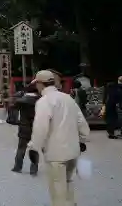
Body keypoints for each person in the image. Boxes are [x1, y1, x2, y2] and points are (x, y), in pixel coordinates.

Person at [28, 70, 90, 206]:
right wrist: (83, 139)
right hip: (73, 150)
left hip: (56, 153)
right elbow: (81, 121)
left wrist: (34, 147)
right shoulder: (68, 98)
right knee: (68, 184)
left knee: (58, 189)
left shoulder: (44, 102)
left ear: (40, 84)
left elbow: (40, 127)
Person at [11, 82, 40, 175]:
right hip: (36, 127)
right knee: (35, 148)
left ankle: (17, 167)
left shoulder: (21, 101)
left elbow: (12, 106)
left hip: (24, 126)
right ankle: (34, 168)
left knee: (21, 148)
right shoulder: (41, 101)